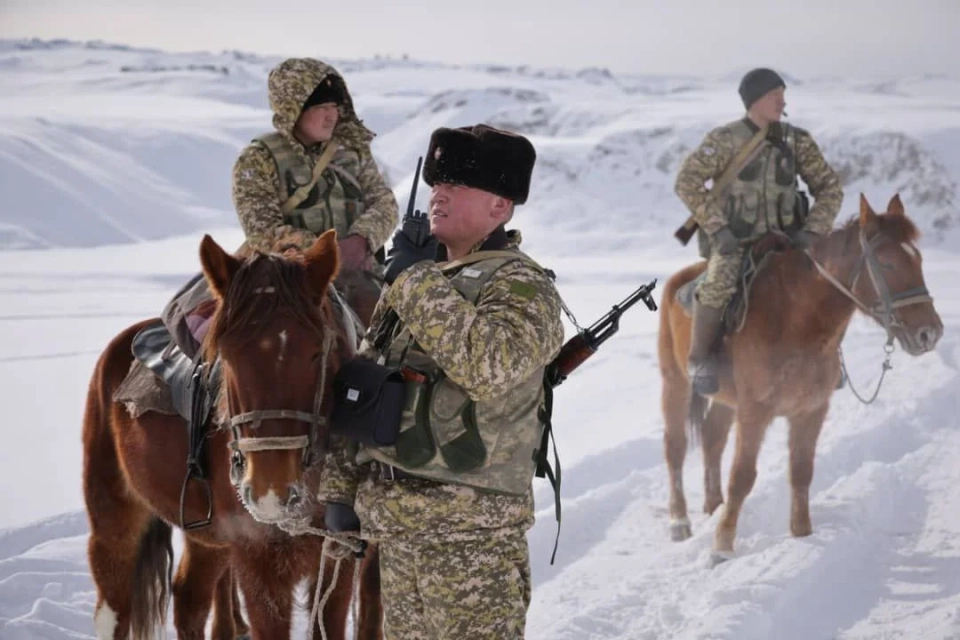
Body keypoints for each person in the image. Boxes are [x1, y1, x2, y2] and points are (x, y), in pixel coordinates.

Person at [321, 124, 564, 639]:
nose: (440, 194)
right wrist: (340, 490)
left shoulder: (521, 285)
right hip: (398, 529)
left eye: (457, 184)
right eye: (436, 183)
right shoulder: (419, 283)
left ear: (500, 207)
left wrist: (411, 279)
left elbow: (488, 367)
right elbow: (364, 385)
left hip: (470, 540)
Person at [162, 57, 398, 357]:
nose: (331, 117)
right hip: (281, 276)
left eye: (334, 107)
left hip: (361, 272)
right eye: (320, 108)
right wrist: (327, 253)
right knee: (219, 337)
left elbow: (385, 202)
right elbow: (263, 229)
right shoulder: (259, 158)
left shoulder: (353, 153)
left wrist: (362, 240)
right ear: (293, 110)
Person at [674, 67, 844, 395]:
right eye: (774, 96)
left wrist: (811, 232)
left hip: (788, 242)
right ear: (754, 101)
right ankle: (700, 361)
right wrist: (718, 229)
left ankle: (830, 359)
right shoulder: (724, 140)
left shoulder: (796, 141)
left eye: (783, 94)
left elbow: (830, 187)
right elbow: (687, 182)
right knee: (720, 282)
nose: (782, 101)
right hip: (735, 243)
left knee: (827, 285)